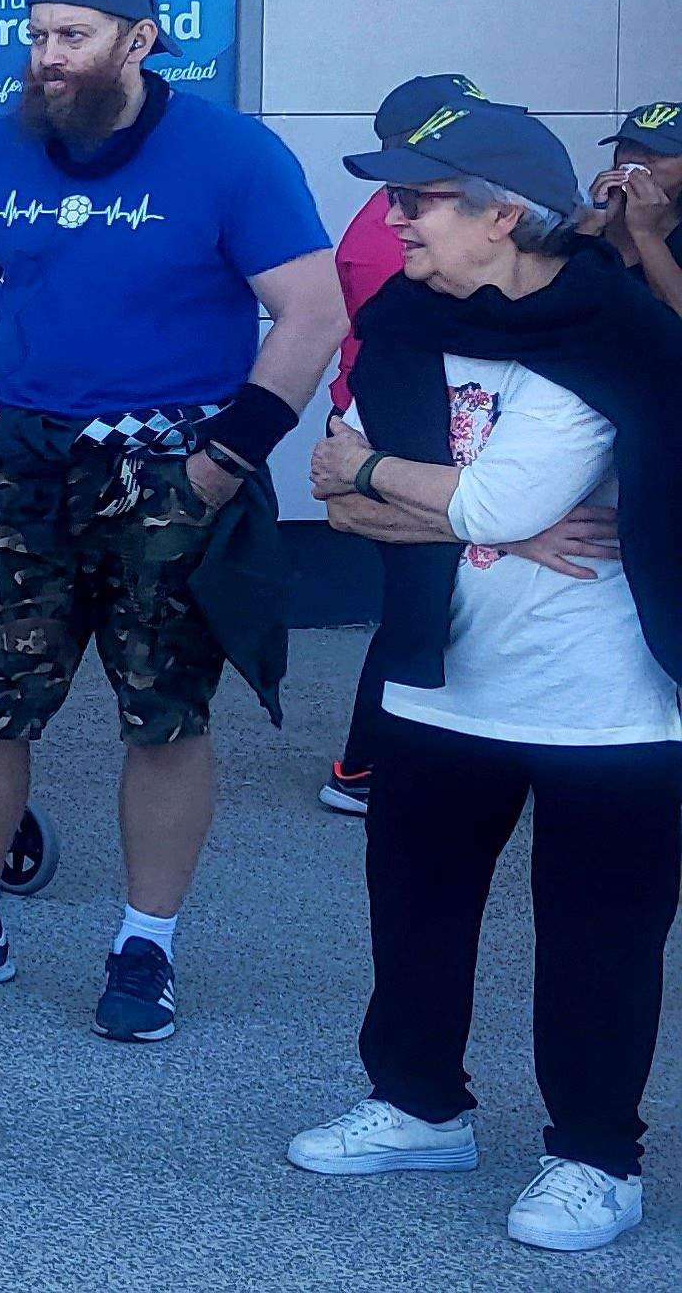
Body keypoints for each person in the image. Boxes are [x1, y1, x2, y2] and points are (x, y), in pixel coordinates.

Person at [0, 0, 347, 1046]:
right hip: (14, 457)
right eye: (35, 37)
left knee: (162, 711)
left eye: (69, 37)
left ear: (138, 40)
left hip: (169, 458)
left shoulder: (231, 156)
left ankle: (145, 946)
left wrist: (224, 461)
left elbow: (312, 314)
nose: (44, 59)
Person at [290, 100, 682, 1254]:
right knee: (414, 912)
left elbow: (458, 491)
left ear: (502, 215)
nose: (393, 221)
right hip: (437, 676)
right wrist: (488, 524)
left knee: (596, 939)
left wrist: (405, 480)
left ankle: (597, 1160)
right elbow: (337, 497)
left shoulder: (609, 329)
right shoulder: (408, 319)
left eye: (418, 200)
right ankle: (418, 1106)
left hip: (606, 702)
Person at [315, 75, 522, 819]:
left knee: (434, 589)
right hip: (392, 421)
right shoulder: (394, 232)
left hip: (404, 423)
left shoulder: (407, 213)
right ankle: (365, 767)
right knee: (422, 599)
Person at [580, 99, 681, 317]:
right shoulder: (596, 216)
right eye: (629, 146)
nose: (636, 158)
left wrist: (645, 234)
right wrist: (591, 223)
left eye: (657, 151)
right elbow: (550, 296)